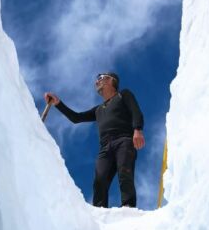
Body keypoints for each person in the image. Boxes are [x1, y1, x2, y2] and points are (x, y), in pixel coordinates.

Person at [44, 72, 145, 208]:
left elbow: (136, 111)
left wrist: (137, 129)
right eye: (97, 80)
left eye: (101, 78)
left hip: (124, 140)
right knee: (100, 180)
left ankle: (128, 206)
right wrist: (58, 103)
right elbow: (76, 118)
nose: (97, 81)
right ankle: (100, 210)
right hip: (105, 148)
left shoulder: (123, 95)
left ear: (112, 81)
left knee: (125, 173)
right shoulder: (98, 110)